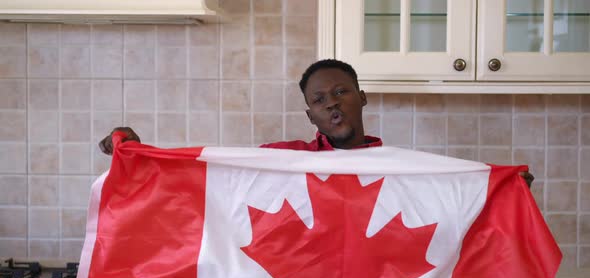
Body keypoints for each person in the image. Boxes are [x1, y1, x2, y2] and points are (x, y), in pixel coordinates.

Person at [99, 59, 534, 186]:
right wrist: (141, 152)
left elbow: (456, 196)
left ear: (362, 98)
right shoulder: (281, 161)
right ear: (310, 115)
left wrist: (501, 189)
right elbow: (205, 175)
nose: (332, 104)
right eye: (320, 100)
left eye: (341, 92)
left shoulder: (405, 167)